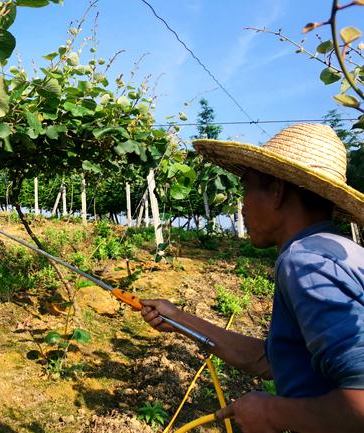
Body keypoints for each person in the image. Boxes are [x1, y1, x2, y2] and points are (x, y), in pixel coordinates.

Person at [140, 123, 364, 433]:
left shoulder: (305, 263)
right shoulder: (342, 251)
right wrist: (178, 318)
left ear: (276, 191)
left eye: (246, 188)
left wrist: (274, 412)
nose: (242, 205)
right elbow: (270, 360)